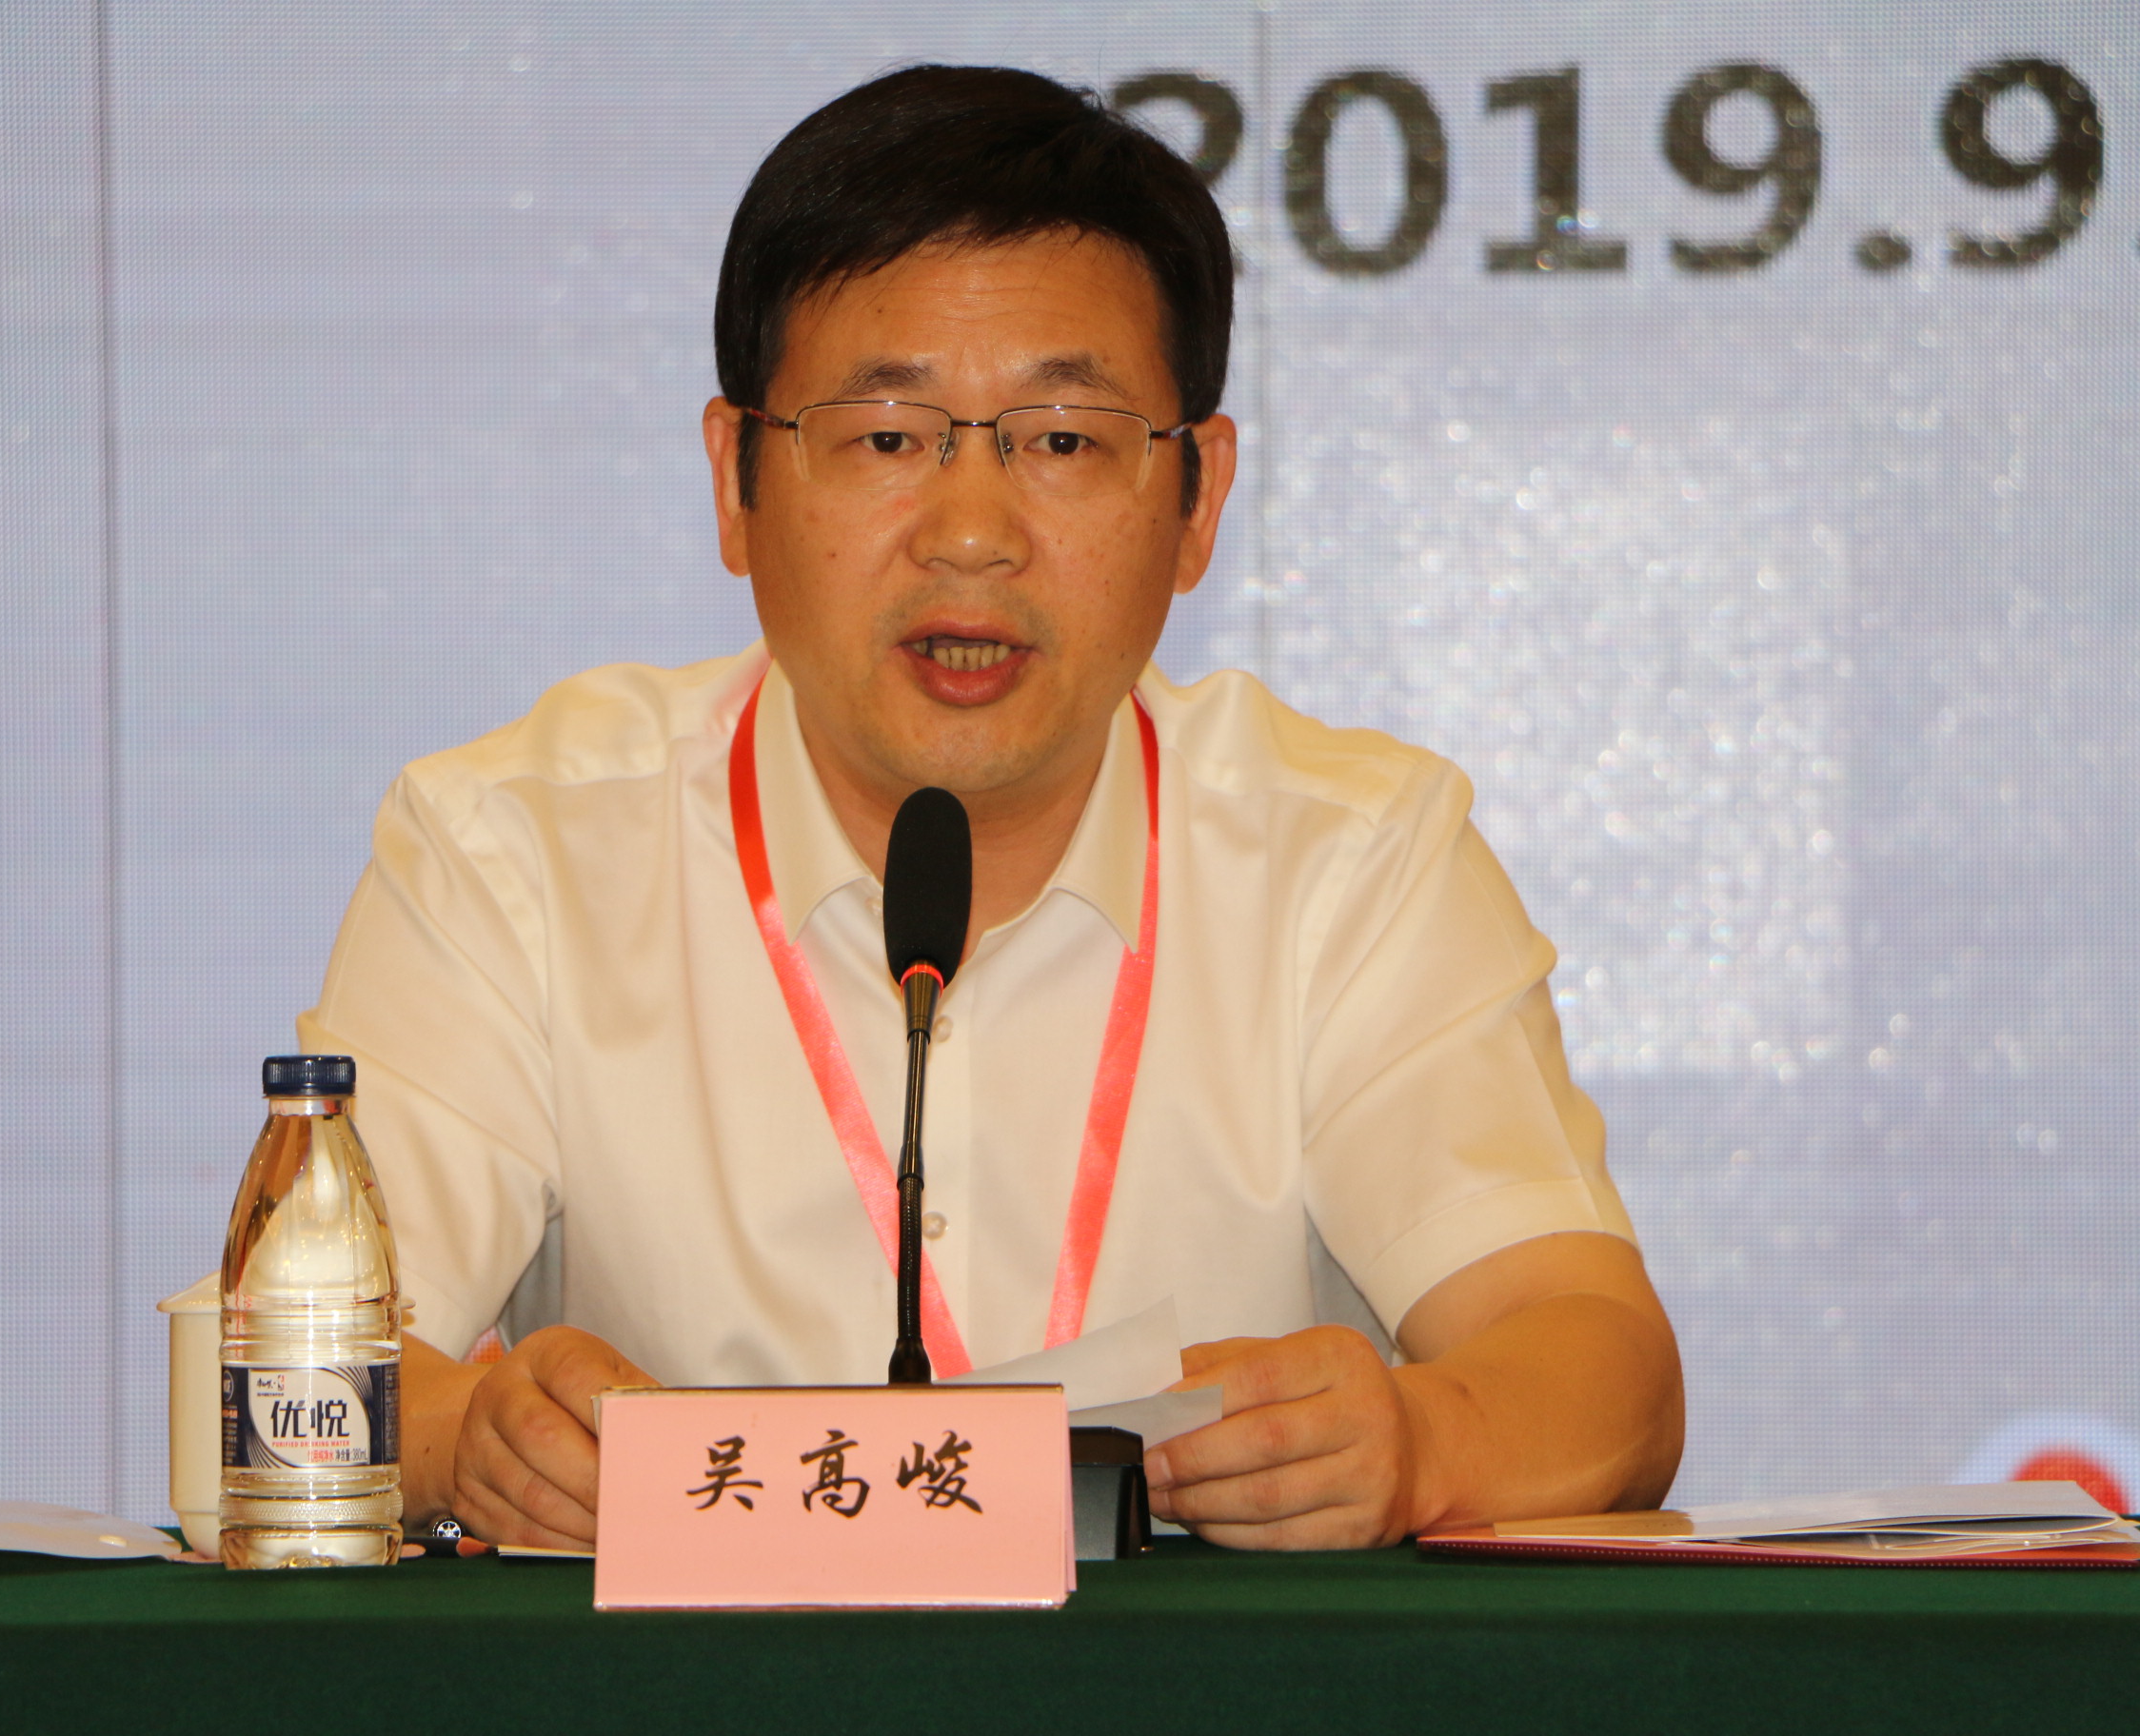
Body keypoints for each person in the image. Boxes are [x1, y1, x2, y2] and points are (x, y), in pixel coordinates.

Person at [300, 64, 1682, 1551]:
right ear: (735, 480)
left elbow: (1602, 1367)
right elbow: (274, 1375)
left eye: (1064, 441)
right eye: (887, 438)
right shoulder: (516, 852)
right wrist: (461, 1439)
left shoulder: (1348, 860)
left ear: (1200, 499)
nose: (971, 534)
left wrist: (1421, 1441)